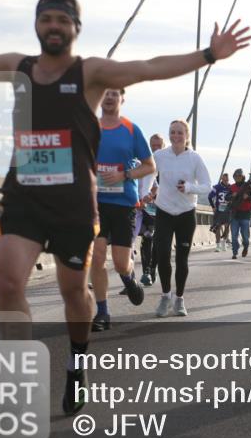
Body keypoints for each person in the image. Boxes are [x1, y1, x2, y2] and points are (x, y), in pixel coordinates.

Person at [0, 0, 249, 414]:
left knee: (75, 292)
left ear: (75, 27)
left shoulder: (90, 73)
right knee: (8, 281)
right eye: (46, 19)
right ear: (37, 25)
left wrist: (207, 55)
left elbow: (147, 69)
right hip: (24, 197)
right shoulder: (20, 68)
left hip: (74, 203)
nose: (53, 26)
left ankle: (78, 362)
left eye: (62, 20)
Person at [89, 88, 153, 331]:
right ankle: (103, 312)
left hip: (124, 203)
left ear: (122, 99)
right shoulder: (91, 127)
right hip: (96, 203)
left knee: (119, 263)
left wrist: (123, 174)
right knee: (96, 256)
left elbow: (149, 166)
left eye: (114, 93)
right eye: (104, 92)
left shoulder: (131, 130)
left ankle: (129, 278)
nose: (108, 97)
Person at [149, 119, 212, 318]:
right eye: (172, 132)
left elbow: (207, 185)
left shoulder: (194, 158)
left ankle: (179, 299)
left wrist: (189, 188)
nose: (175, 136)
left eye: (179, 133)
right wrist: (149, 190)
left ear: (187, 136)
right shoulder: (159, 155)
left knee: (182, 259)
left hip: (186, 213)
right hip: (164, 211)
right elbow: (148, 176)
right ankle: (166, 296)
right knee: (162, 254)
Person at [136, 134, 164, 286]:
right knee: (147, 238)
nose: (155, 148)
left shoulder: (168, 164)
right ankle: (147, 271)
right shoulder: (145, 162)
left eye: (158, 145)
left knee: (157, 242)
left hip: (164, 209)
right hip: (146, 209)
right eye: (153, 145)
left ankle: (152, 268)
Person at [228, 168, 251, 259]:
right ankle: (234, 252)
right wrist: (231, 196)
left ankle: (245, 246)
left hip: (245, 215)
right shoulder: (232, 187)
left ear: (243, 177)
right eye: (236, 176)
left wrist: (247, 197)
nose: (237, 177)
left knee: (245, 237)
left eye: (239, 176)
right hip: (234, 215)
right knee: (234, 236)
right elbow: (226, 197)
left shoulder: (248, 187)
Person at [208, 173, 232, 252]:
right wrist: (213, 207)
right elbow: (210, 197)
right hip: (219, 210)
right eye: (224, 180)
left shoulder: (230, 187)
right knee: (217, 227)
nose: (226, 181)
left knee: (227, 227)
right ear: (222, 179)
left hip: (227, 210)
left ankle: (224, 243)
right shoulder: (217, 187)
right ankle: (218, 245)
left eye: (227, 180)